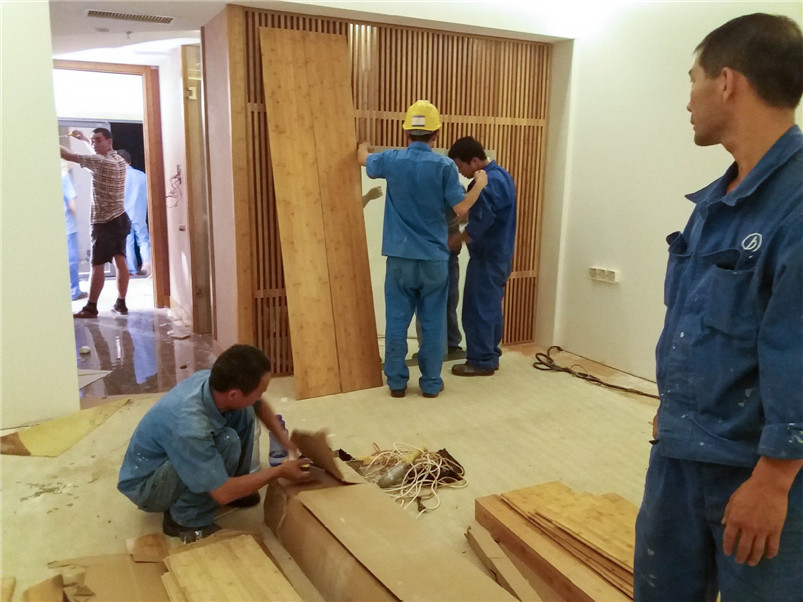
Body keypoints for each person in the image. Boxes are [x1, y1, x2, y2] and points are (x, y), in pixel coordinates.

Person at [634, 14, 803, 600]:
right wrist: (673, 408)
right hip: (682, 453)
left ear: (727, 82)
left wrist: (774, 481)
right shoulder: (716, 202)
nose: (689, 101)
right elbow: (694, 320)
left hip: (757, 472)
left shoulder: (796, 208)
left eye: (693, 81)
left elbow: (796, 349)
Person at [358, 100, 487, 398]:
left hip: (399, 257)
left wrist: (363, 146)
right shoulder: (444, 166)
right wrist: (479, 184)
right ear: (436, 134)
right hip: (433, 259)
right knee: (432, 324)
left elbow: (362, 159)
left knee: (396, 322)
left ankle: (396, 383)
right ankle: (430, 383)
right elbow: (461, 209)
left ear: (406, 132)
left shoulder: (391, 160)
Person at [118, 344, 310, 541]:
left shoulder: (214, 382)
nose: (261, 396)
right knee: (227, 442)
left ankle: (238, 486)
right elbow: (222, 493)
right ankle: (185, 520)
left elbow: (257, 403)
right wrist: (279, 471)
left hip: (175, 452)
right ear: (234, 394)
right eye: (259, 391)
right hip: (148, 485)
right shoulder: (190, 427)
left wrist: (285, 441)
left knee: (244, 411)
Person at [447, 137, 516, 376]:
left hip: (487, 257)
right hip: (502, 255)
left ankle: (481, 361)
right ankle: (490, 354)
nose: (460, 172)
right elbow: (487, 212)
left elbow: (483, 220)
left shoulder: (485, 182)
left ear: (475, 161)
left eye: (461, 166)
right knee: (491, 308)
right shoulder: (503, 175)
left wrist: (458, 239)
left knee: (478, 310)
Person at [60, 128, 130, 317]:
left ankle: (91, 307)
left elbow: (68, 155)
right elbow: (97, 155)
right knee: (120, 261)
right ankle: (121, 304)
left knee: (97, 265)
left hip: (104, 222)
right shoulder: (119, 160)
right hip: (120, 218)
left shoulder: (99, 162)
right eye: (92, 140)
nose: (94, 144)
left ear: (109, 141)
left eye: (98, 140)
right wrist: (84, 139)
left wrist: (47, 138)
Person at [118, 150, 151, 277]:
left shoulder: (118, 177)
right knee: (143, 239)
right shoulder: (142, 175)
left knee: (128, 241)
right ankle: (147, 266)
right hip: (140, 213)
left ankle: (132, 270)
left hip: (123, 215)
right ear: (129, 161)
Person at [61, 162, 86, 301]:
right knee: (71, 259)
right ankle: (74, 291)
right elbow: (72, 203)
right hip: (68, 226)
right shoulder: (64, 177)